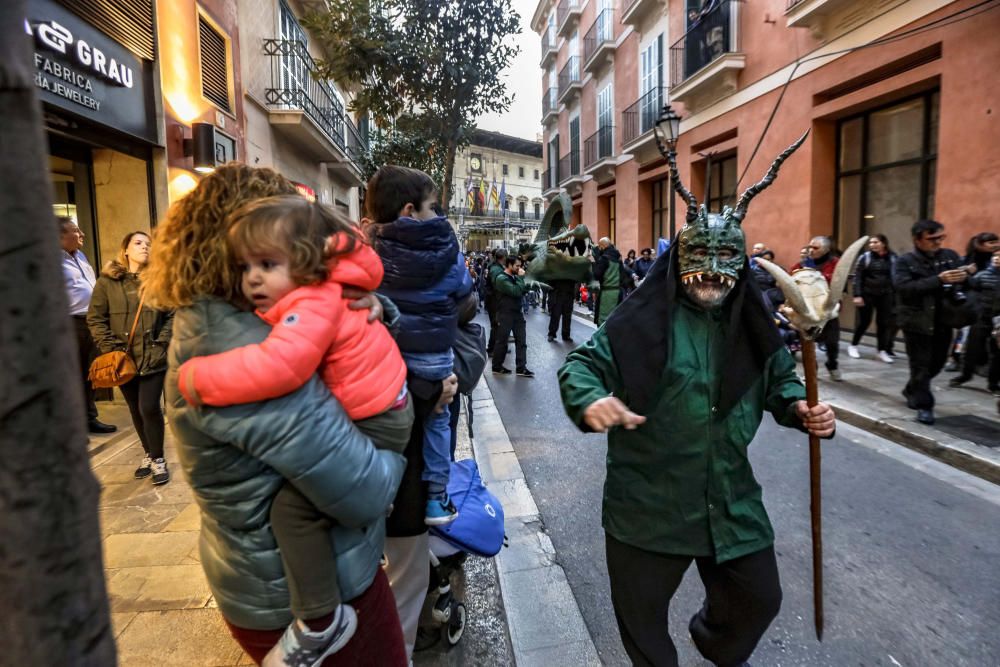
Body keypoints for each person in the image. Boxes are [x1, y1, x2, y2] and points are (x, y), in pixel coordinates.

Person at [142, 163, 408, 665]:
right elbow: (363, 490)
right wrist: (398, 461)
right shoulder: (239, 344)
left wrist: (367, 309)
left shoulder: (234, 317)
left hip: (269, 580)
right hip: (306, 597)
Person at [558, 210, 835, 667]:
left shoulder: (751, 324)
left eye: (725, 254)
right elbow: (581, 366)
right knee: (644, 628)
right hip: (647, 508)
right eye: (699, 254)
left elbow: (781, 381)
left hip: (729, 500)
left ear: (741, 262)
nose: (711, 268)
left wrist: (802, 408)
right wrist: (588, 400)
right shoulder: (640, 320)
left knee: (760, 598)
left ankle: (714, 642)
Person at [365, 165, 473, 527]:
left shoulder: (368, 250)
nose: (436, 214)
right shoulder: (444, 245)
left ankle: (382, 498)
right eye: (431, 206)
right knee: (438, 422)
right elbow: (463, 291)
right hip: (434, 359)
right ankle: (437, 498)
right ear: (410, 210)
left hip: (386, 362)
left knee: (388, 430)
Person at [87, 231, 173, 484]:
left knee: (149, 407)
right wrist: (110, 348)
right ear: (125, 249)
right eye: (138, 243)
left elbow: (173, 314)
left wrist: (162, 342)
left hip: (154, 355)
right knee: (135, 409)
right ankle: (148, 453)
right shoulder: (107, 282)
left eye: (148, 244)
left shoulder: (159, 280)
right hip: (123, 358)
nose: (144, 247)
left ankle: (158, 459)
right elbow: (95, 318)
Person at [894, 219, 968, 425]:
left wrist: (965, 276)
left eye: (940, 237)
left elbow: (966, 281)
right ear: (917, 240)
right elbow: (903, 288)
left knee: (937, 363)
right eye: (932, 238)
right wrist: (939, 280)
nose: (937, 242)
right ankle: (925, 406)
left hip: (944, 320)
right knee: (920, 365)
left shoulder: (950, 257)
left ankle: (911, 389)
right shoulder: (905, 261)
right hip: (916, 321)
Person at [59, 217, 116, 435]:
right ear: (60, 236)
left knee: (90, 373)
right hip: (69, 323)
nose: (82, 234)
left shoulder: (80, 255)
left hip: (91, 321)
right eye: (75, 231)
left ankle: (88, 418)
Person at [792, 236, 842, 381]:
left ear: (826, 249)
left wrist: (816, 276)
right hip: (808, 310)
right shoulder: (801, 264)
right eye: (810, 247)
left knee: (832, 342)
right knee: (808, 342)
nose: (811, 251)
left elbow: (837, 282)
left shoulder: (835, 263)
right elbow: (793, 279)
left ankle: (832, 365)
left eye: (815, 248)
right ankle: (811, 370)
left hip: (827, 310)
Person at [950, 249, 1000, 394]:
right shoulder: (983, 275)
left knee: (997, 353)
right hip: (981, 317)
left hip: (998, 320)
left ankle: (993, 383)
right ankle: (965, 375)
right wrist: (966, 275)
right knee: (972, 349)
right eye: (995, 256)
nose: (997, 259)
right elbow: (969, 285)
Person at [848, 234, 897, 363]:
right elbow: (857, 277)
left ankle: (881, 351)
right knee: (864, 322)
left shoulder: (893, 258)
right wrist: (857, 295)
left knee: (884, 324)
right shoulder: (865, 258)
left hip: (886, 295)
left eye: (875, 242)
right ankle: (853, 345)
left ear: (883, 243)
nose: (872, 245)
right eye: (870, 243)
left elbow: (896, 277)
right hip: (867, 294)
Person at [492, 255, 533, 377]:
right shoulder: (501, 279)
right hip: (505, 314)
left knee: (522, 341)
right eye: (517, 266)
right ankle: (497, 366)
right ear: (509, 265)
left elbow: (522, 291)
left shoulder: (515, 277)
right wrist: (521, 279)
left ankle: (521, 367)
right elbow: (515, 291)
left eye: (520, 266)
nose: (519, 268)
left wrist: (525, 283)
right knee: (502, 342)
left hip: (517, 314)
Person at [592, 237, 624, 326]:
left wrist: (594, 262)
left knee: (604, 319)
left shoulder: (604, 258)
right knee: (615, 319)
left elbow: (597, 275)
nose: (599, 248)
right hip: (618, 292)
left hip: (607, 293)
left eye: (599, 246)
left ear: (603, 246)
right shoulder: (618, 258)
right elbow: (623, 276)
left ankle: (603, 340)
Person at [484, 248, 507, 352]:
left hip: (493, 300)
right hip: (494, 301)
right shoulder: (495, 269)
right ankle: (492, 348)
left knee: (496, 325)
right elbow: (497, 284)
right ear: (503, 258)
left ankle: (494, 348)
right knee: (496, 325)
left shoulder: (495, 267)